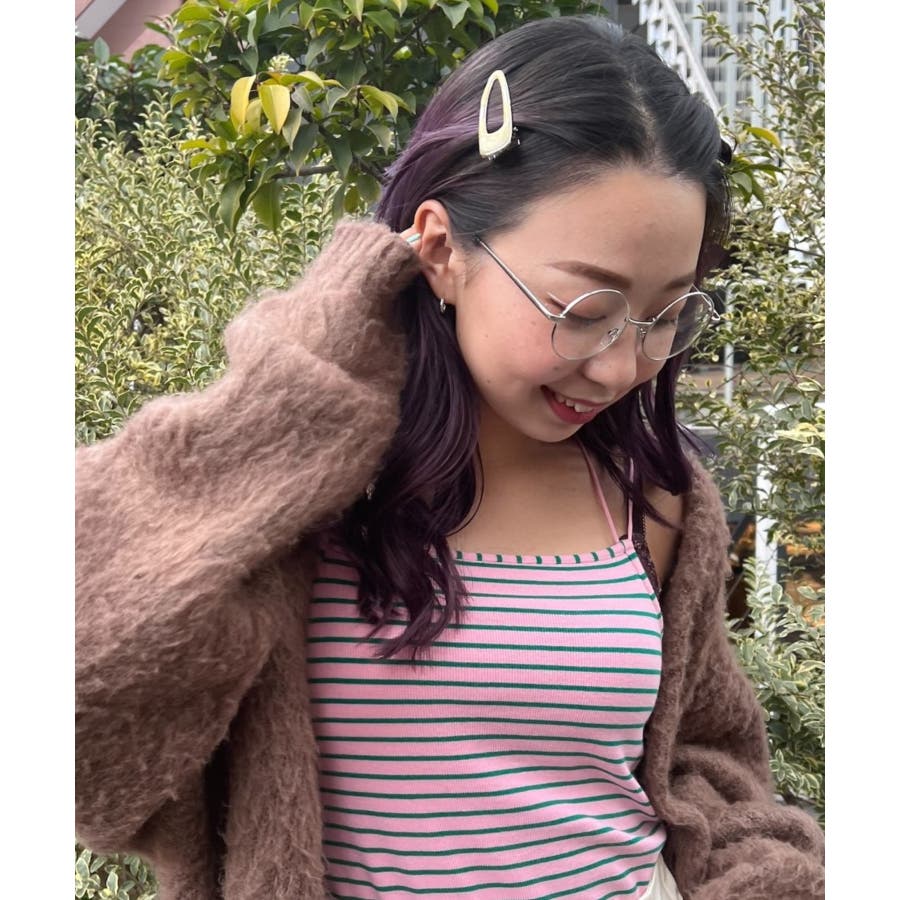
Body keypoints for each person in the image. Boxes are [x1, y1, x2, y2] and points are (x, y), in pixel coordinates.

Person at [75, 14, 825, 900]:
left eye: (665, 315)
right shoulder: (302, 496)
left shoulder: (654, 499)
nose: (624, 366)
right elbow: (86, 720)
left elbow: (706, 761)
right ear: (439, 249)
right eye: (584, 310)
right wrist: (315, 358)